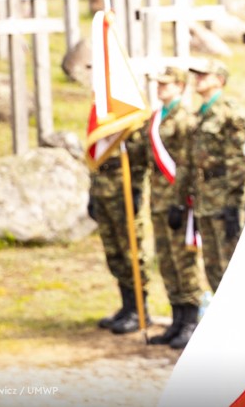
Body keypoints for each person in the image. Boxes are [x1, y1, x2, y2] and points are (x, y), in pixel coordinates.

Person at [140, 66, 203, 350]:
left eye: (166, 84)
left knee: (183, 262)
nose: (160, 88)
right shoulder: (156, 117)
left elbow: (188, 163)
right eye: (158, 84)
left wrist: (182, 201)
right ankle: (176, 320)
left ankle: (190, 322)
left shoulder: (184, 118)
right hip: (159, 201)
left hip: (179, 201)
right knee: (166, 261)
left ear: (180, 86)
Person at [176, 59, 245, 294]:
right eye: (197, 75)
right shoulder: (199, 114)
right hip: (204, 201)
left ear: (219, 79)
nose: (197, 79)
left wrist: (233, 205)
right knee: (212, 267)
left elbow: (237, 161)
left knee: (231, 268)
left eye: (203, 75)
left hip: (223, 200)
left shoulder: (229, 111)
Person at [88, 128, 151, 334]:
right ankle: (127, 305)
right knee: (114, 253)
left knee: (131, 253)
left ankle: (140, 310)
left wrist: (136, 189)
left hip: (123, 190)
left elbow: (140, 159)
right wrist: (92, 193)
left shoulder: (130, 121)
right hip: (103, 190)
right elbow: (95, 157)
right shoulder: (102, 121)